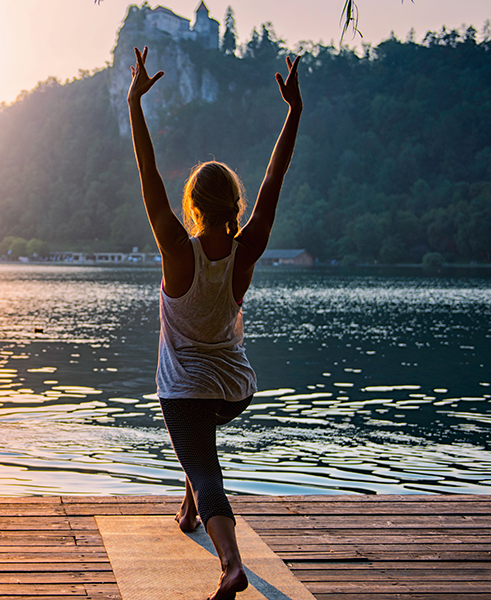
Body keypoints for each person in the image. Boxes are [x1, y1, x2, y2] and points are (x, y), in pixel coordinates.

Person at [126, 46, 302, 600]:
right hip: (235, 388)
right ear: (234, 206)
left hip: (186, 389)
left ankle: (230, 564)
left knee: (206, 468)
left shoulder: (178, 250)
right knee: (197, 446)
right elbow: (275, 179)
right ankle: (187, 511)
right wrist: (293, 112)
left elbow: (148, 173)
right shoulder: (245, 250)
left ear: (193, 206)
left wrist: (135, 102)